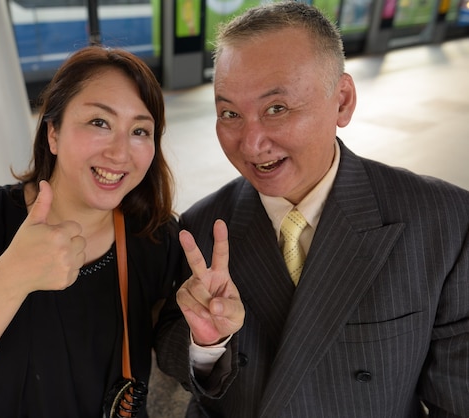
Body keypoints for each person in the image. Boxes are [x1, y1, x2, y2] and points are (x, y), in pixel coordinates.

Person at [155, 2, 469, 417]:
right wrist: (208, 346)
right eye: (229, 113)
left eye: (277, 108)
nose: (250, 144)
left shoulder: (442, 221)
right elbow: (177, 358)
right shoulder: (202, 228)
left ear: (341, 101)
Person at [0, 46, 183, 418]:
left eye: (140, 130)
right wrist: (12, 275)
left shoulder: (155, 236)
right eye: (99, 122)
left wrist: (210, 337)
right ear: (53, 133)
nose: (120, 152)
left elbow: (175, 348)